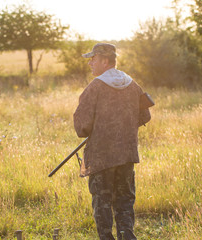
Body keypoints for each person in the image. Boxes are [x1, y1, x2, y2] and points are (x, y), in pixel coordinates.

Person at [73, 43, 152, 240]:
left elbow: (82, 127)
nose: (90, 63)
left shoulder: (95, 87)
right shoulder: (132, 84)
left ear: (105, 61)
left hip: (102, 159)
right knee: (125, 202)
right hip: (126, 156)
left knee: (102, 202)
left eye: (94, 59)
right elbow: (145, 116)